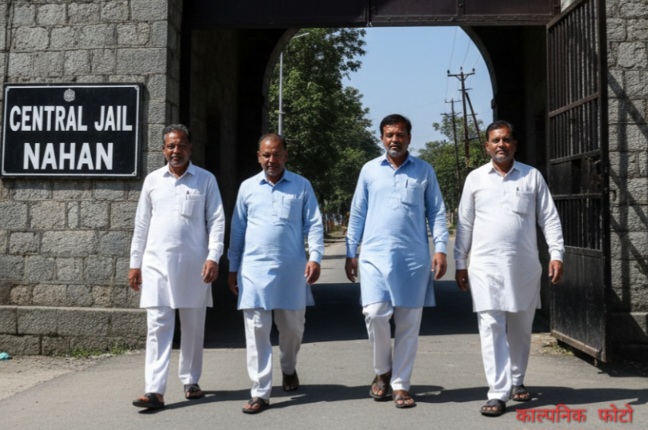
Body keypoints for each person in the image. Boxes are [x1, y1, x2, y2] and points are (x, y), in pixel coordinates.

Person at [453, 120, 564, 417]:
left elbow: (549, 218)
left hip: (523, 266)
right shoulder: (476, 179)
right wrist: (460, 262)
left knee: (520, 326)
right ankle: (497, 392)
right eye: (495, 140)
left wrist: (557, 254)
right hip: (485, 266)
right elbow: (464, 223)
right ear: (487, 146)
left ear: (514, 144)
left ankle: (517, 379)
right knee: (490, 325)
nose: (500, 145)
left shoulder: (531, 176)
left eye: (505, 140)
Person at [345, 114, 449, 409]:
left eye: (400, 134)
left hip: (413, 258)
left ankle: (401, 385)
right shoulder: (369, 170)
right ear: (382, 138)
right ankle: (382, 371)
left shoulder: (424, 170)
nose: (395, 139)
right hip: (374, 256)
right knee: (375, 313)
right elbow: (357, 212)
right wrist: (351, 251)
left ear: (409, 138)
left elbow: (437, 212)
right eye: (389, 135)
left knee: (408, 322)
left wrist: (441, 249)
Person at [129, 124, 225, 409]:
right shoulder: (153, 181)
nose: (176, 151)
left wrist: (213, 257)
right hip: (156, 264)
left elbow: (217, 221)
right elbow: (141, 224)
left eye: (181, 145)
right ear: (163, 150)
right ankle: (154, 390)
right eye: (171, 146)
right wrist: (135, 263)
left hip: (194, 265)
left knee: (193, 325)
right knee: (157, 325)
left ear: (190, 148)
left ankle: (191, 379)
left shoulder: (205, 180)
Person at [228, 133, 324, 414]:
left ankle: (288, 367)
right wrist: (232, 267)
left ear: (286, 156)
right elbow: (237, 231)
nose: (272, 160)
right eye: (266, 155)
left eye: (277, 154)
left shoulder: (301, 186)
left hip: (291, 271)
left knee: (292, 329)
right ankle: (260, 391)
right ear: (259, 157)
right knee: (257, 329)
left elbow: (314, 224)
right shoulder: (247, 188)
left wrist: (315, 257)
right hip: (254, 271)